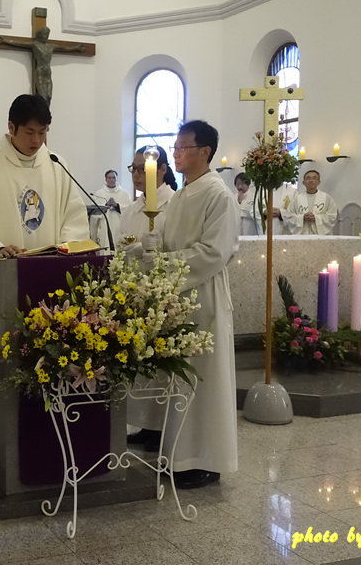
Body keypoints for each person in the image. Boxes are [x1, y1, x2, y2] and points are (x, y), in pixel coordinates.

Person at [0, 94, 91, 428]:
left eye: (43, 132)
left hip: (48, 279)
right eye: (29, 132)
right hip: (1, 279)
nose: (37, 140)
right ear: (11, 127)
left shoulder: (56, 164)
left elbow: (74, 215)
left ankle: (46, 423)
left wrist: (64, 247)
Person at [138, 120, 240, 489]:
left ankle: (205, 461)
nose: (177, 153)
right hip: (178, 297)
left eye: (183, 147)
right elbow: (167, 241)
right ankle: (178, 455)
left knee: (203, 379)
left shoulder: (219, 195)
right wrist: (145, 250)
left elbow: (213, 253)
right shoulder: (182, 194)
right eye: (176, 147)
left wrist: (161, 264)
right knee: (178, 378)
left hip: (204, 297)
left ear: (205, 152)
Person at [118, 145, 177, 450]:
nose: (137, 174)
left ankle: (162, 426)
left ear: (162, 169)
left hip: (163, 291)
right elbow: (121, 246)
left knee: (161, 360)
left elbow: (174, 244)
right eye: (134, 168)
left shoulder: (174, 204)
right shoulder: (131, 208)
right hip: (135, 290)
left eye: (143, 169)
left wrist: (146, 248)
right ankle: (146, 423)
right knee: (140, 361)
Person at [0, 27, 85, 105]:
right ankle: (43, 115)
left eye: (47, 35)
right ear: (40, 35)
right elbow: (19, 43)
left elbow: (65, 48)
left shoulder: (51, 46)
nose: (46, 36)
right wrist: (4, 41)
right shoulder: (35, 44)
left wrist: (76, 47)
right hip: (40, 71)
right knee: (43, 97)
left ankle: (46, 114)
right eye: (44, 34)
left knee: (49, 96)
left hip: (48, 72)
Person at [281, 170, 338, 235]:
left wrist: (316, 218)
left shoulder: (327, 198)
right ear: (303, 182)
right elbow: (289, 216)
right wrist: (302, 218)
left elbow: (332, 217)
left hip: (320, 236)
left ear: (319, 182)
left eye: (314, 178)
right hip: (302, 235)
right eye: (308, 178)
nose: (311, 180)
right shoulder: (296, 199)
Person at [90, 169, 131, 249]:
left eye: (114, 177)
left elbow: (129, 209)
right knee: (105, 245)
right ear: (106, 179)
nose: (112, 180)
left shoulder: (124, 193)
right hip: (104, 225)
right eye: (109, 178)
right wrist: (106, 205)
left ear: (116, 179)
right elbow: (94, 212)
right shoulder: (99, 193)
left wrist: (117, 206)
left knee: (118, 247)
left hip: (119, 224)